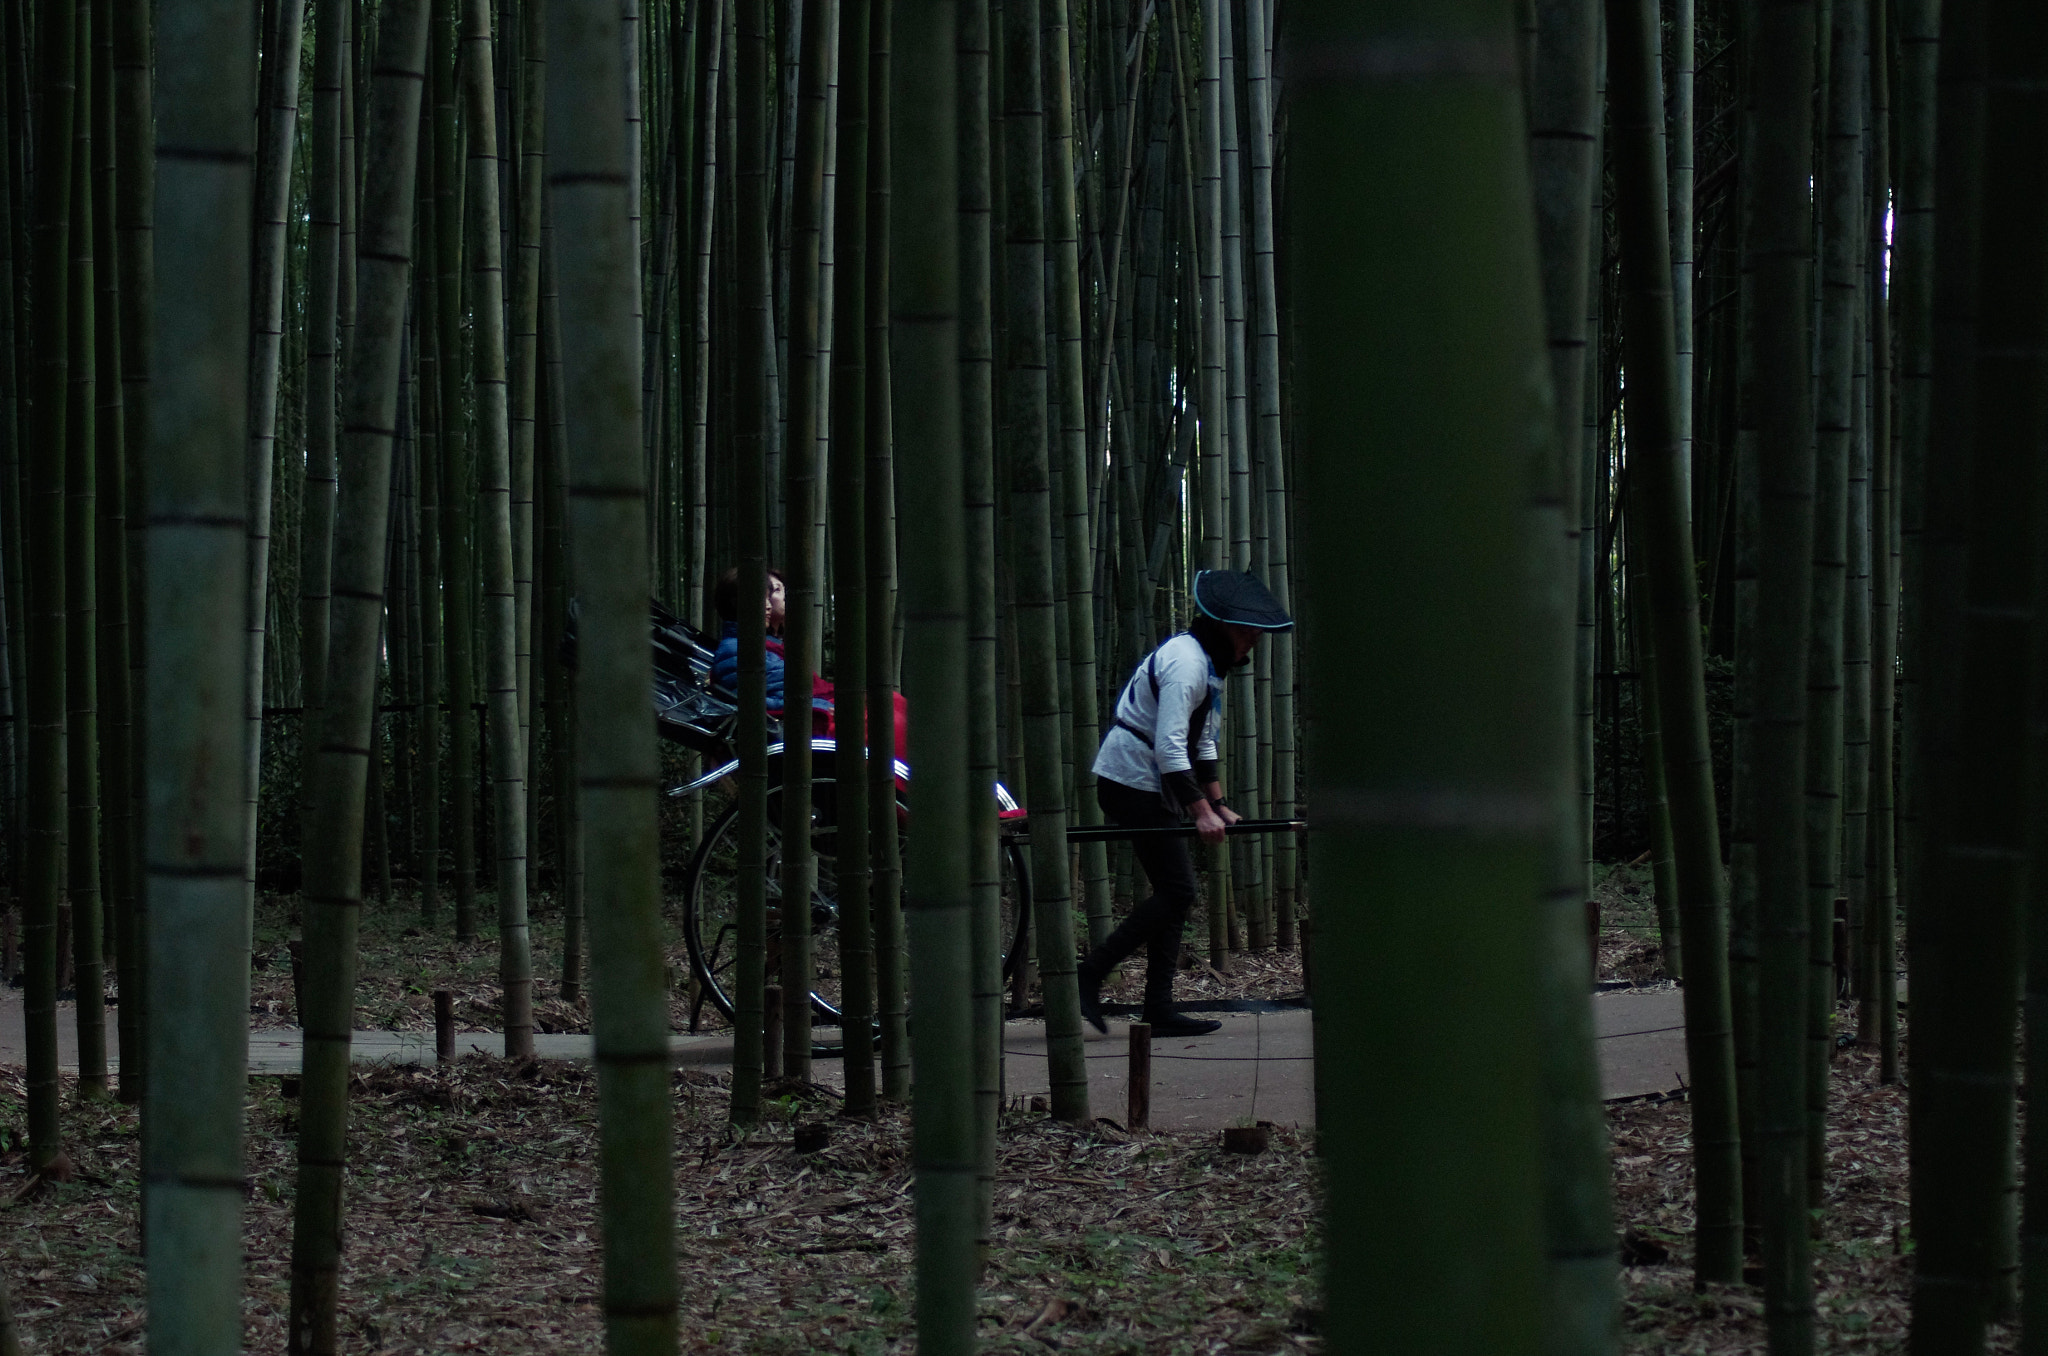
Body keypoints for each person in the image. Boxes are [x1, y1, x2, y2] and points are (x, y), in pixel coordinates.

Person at [1077, 569, 1293, 1039]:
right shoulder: (1187, 664)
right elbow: (1170, 747)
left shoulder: (1207, 665)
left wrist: (1219, 802)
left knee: (1174, 895)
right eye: (1248, 634)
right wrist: (1201, 812)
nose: (1252, 644)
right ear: (1224, 628)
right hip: (1130, 779)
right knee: (1178, 891)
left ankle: (1158, 1007)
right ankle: (1092, 971)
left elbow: (1204, 743)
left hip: (1155, 784)